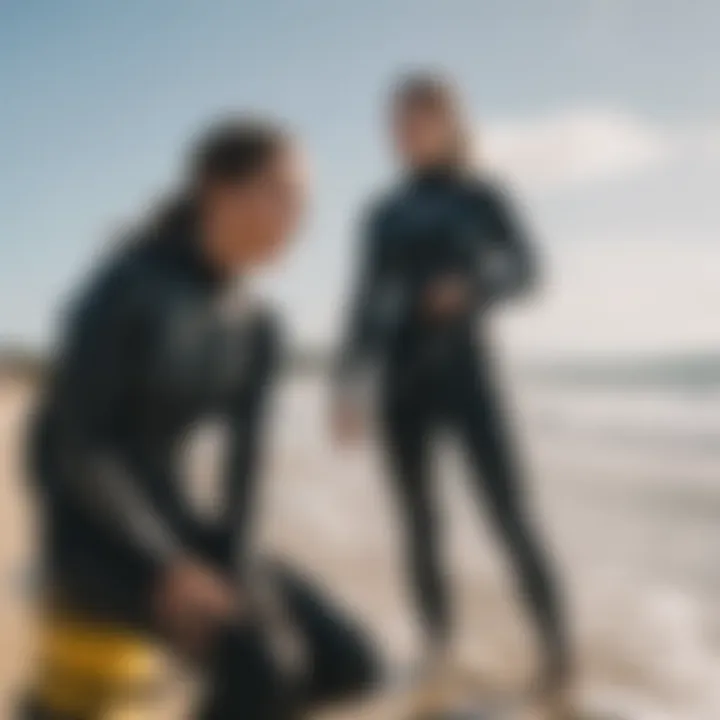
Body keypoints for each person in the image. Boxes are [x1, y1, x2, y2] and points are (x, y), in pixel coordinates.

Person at [23, 118, 378, 720]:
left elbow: (245, 476)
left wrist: (235, 568)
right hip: (90, 528)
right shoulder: (127, 287)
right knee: (260, 666)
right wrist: (168, 563)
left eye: (304, 201)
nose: (300, 216)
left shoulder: (260, 329)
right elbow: (78, 446)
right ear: (217, 188)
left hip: (178, 524)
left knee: (351, 663)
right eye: (283, 193)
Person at [332, 73, 570, 704]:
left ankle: (558, 657)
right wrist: (346, 385)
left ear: (450, 121)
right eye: (398, 119)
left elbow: (529, 269)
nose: (406, 129)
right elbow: (361, 304)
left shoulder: (482, 196)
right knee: (419, 526)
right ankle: (437, 650)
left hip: (467, 374)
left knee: (509, 516)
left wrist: (474, 289)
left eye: (419, 116)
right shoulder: (381, 214)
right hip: (400, 383)